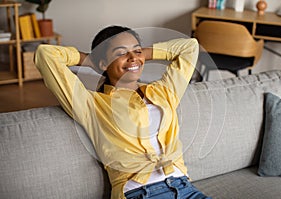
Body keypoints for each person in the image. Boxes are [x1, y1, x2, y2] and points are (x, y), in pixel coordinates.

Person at [35, 25, 211, 199]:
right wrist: (92, 60)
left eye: (137, 50)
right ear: (103, 63)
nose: (132, 57)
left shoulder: (164, 91)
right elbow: (45, 55)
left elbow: (190, 47)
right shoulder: (92, 105)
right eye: (120, 53)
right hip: (140, 193)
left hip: (184, 187)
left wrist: (141, 56)